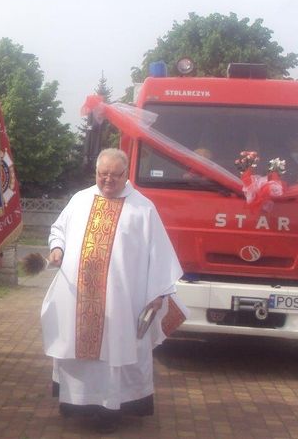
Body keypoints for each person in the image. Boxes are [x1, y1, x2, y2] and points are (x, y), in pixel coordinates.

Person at [40, 148, 187, 434]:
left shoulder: (143, 209)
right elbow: (58, 229)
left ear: (126, 174)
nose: (107, 180)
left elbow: (159, 256)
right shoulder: (80, 200)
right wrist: (57, 248)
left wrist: (158, 293)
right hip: (78, 299)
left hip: (122, 302)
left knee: (115, 353)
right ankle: (76, 402)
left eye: (114, 175)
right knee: (76, 350)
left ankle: (110, 408)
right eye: (101, 174)